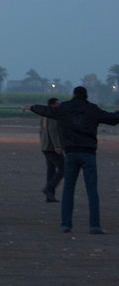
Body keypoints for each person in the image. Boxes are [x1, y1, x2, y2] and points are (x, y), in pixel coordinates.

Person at [26, 86, 119, 234]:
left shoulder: (65, 108)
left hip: (70, 152)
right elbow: (112, 119)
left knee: (68, 189)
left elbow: (48, 111)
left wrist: (32, 107)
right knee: (92, 191)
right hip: (88, 153)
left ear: (74, 95)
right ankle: (94, 226)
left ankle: (66, 224)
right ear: (86, 96)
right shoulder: (92, 109)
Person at [39, 97, 64, 203]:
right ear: (52, 105)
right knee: (63, 169)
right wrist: (57, 145)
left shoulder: (44, 115)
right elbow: (53, 131)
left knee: (51, 170)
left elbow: (42, 131)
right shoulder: (52, 115)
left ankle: (50, 196)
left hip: (45, 146)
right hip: (52, 147)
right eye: (57, 104)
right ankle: (48, 188)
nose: (59, 105)